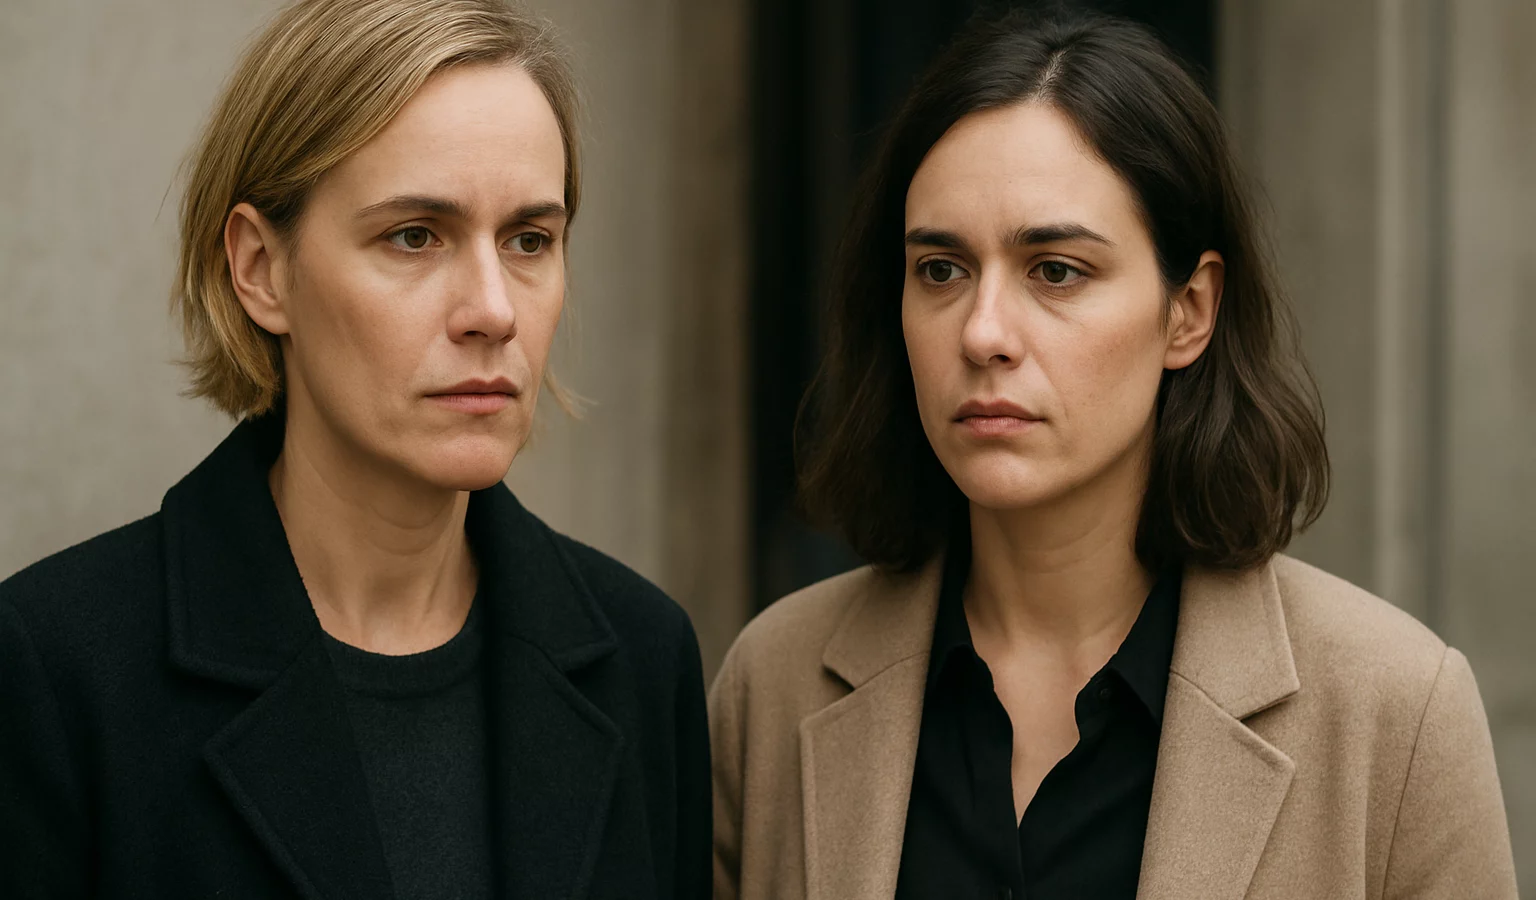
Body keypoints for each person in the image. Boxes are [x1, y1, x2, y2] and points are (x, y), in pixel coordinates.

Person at [708, 9, 1517, 900]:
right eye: (941, 269)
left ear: (1189, 312)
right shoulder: (774, 685)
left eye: (1055, 270)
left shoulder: (1394, 711)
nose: (982, 333)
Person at [0, 1, 710, 897]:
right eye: (414, 236)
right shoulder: (57, 670)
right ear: (261, 269)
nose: (494, 310)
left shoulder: (642, 656)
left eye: (530, 240)